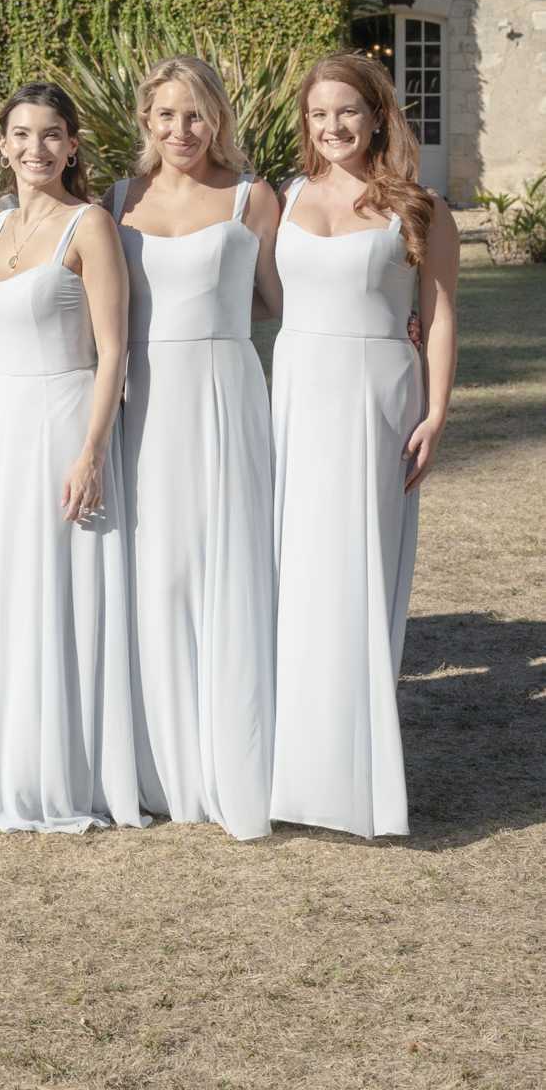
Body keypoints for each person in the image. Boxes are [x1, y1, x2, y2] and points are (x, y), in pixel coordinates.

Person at [271, 52, 459, 838]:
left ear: (377, 115)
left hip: (377, 396)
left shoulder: (418, 206)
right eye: (319, 115)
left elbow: (441, 313)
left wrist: (437, 411)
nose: (333, 127)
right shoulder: (279, 197)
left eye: (346, 111)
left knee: (359, 569)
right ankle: (292, 771)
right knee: (296, 574)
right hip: (295, 393)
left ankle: (356, 778)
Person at [0, 82, 144, 832]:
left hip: (68, 417)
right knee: (17, 586)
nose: (36, 148)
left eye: (52, 135)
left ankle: (72, 767)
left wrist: (91, 451)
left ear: (72, 147)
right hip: (10, 423)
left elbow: (114, 349)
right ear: (2, 145)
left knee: (70, 589)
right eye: (22, 135)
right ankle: (16, 761)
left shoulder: (89, 224)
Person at [107, 57, 280, 841]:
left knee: (229, 562)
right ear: (146, 120)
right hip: (145, 400)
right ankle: (161, 766)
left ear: (218, 120)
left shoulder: (251, 198)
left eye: (196, 115)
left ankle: (237, 758)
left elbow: (286, 299)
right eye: (167, 116)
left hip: (222, 390)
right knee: (158, 572)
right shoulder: (118, 201)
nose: (182, 131)